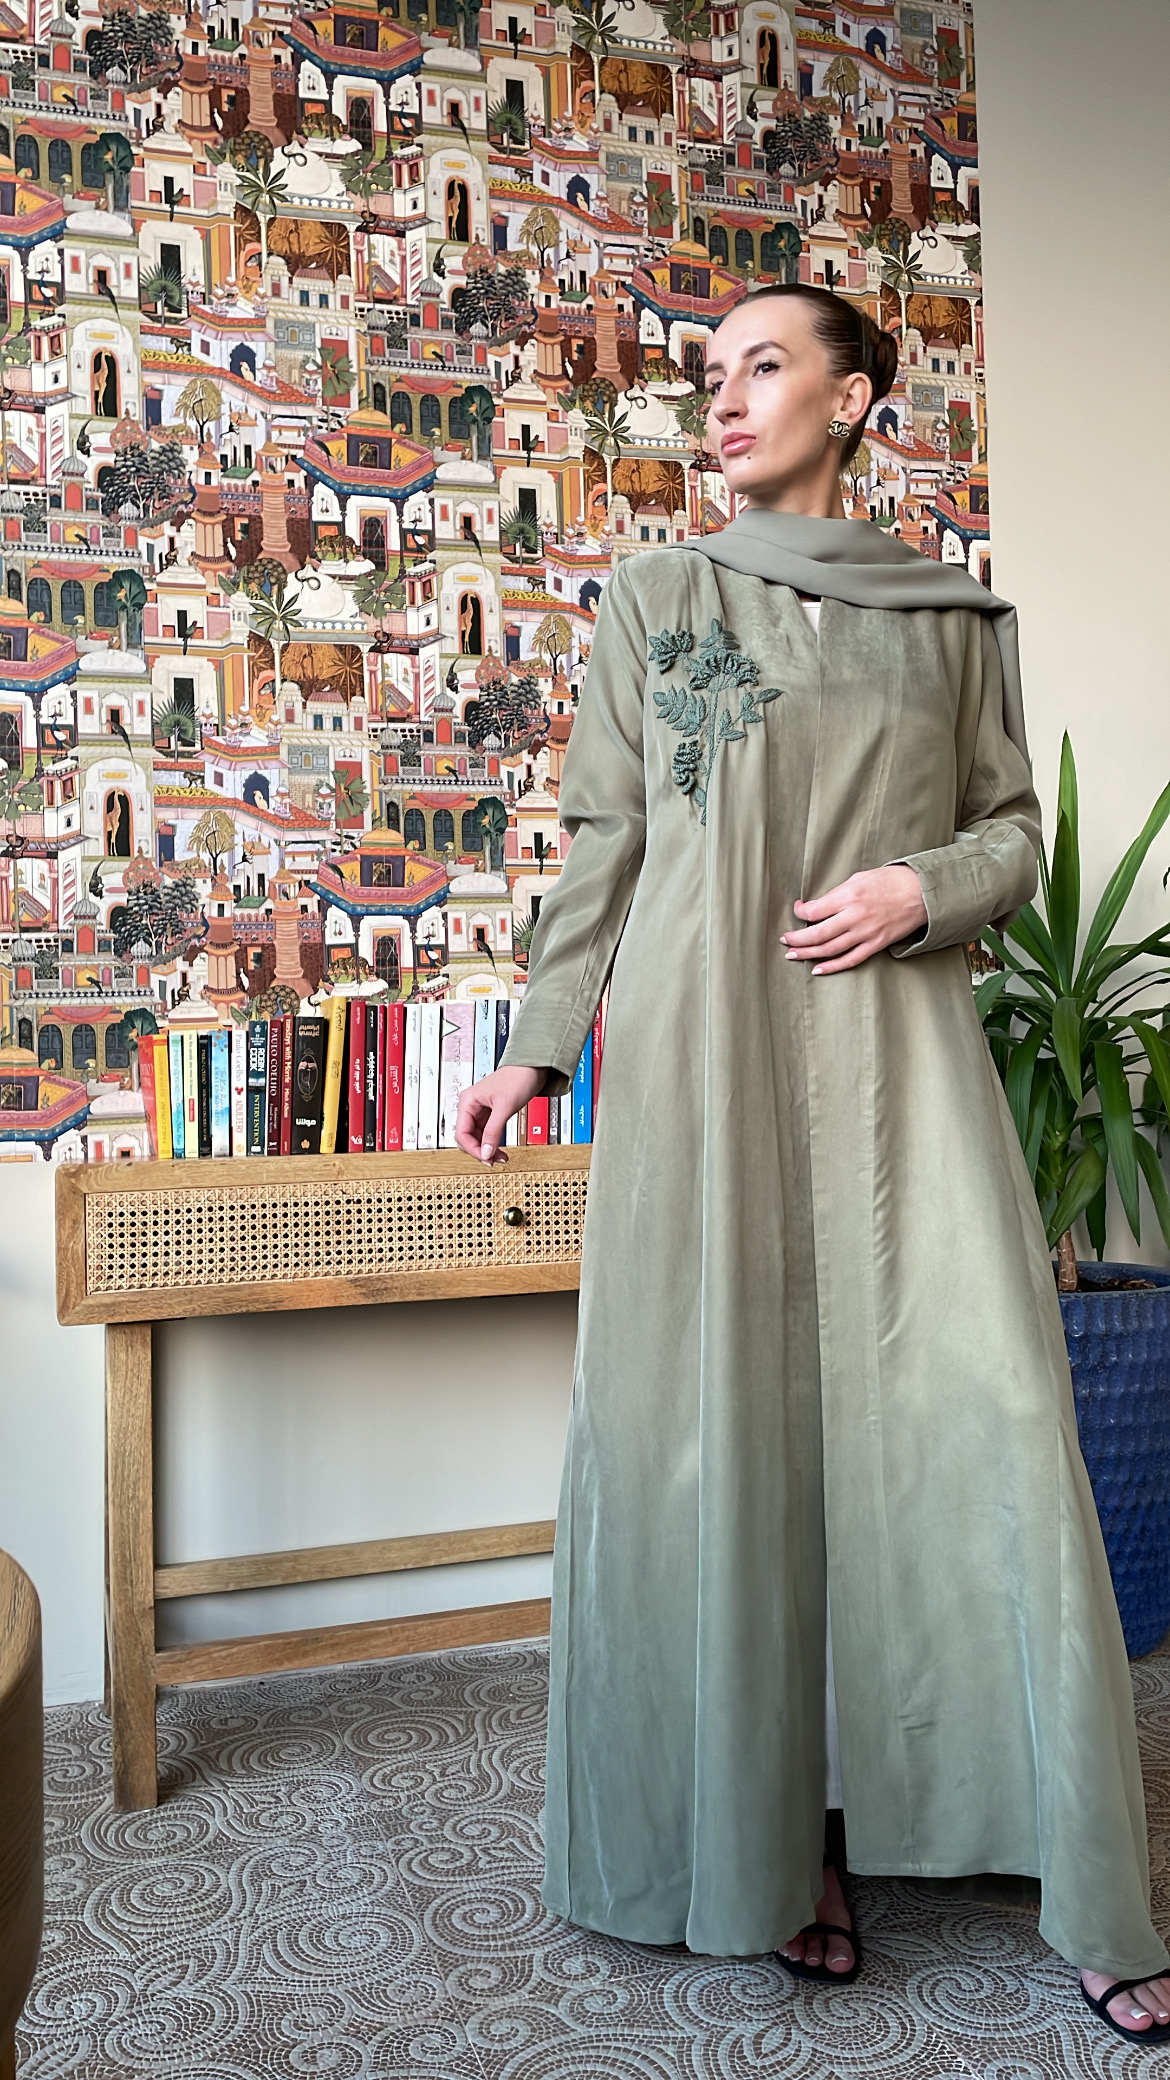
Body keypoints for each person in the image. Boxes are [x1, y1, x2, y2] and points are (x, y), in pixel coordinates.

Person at [454, 284, 1170, 2045]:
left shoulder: (951, 617)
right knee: (724, 1434)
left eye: (762, 366)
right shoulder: (656, 596)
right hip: (700, 1057)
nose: (723, 398)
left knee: (981, 1415)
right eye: (711, 375)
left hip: (898, 1056)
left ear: (852, 400)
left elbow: (1012, 829)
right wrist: (540, 1040)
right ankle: (782, 1838)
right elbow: (608, 837)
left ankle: (1080, 1870)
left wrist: (925, 888)